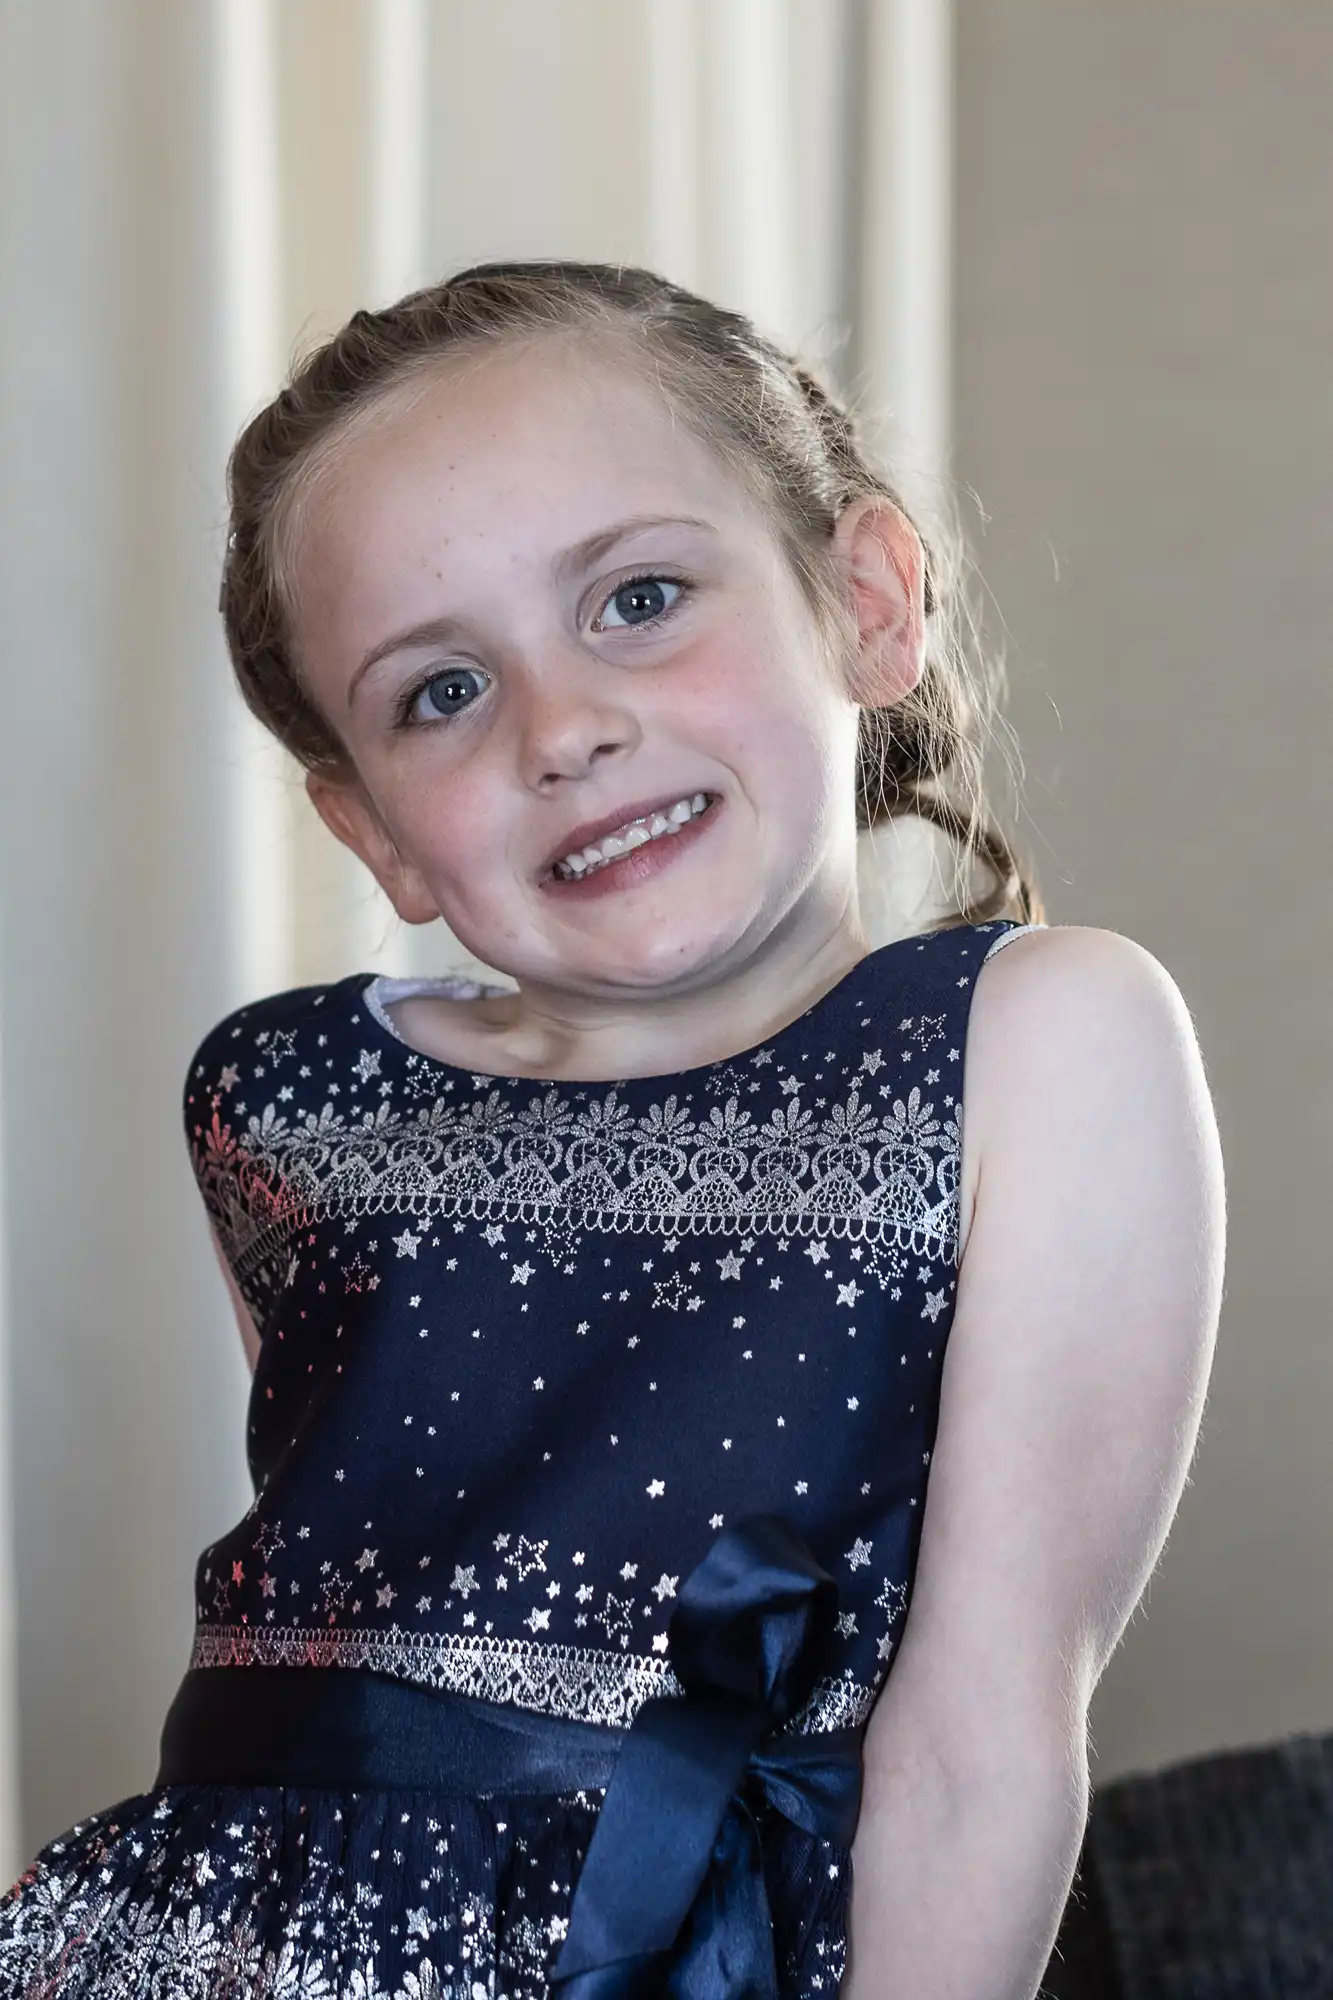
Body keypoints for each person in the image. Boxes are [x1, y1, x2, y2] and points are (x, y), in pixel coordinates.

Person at [0, 261, 1223, 2000]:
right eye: (440, 692)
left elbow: (982, 1746)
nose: (564, 729)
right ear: (374, 835)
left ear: (868, 600)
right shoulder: (282, 1095)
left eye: (640, 596)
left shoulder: (1038, 1039)